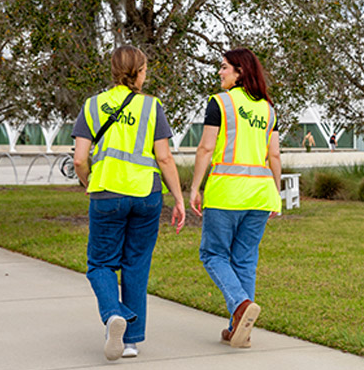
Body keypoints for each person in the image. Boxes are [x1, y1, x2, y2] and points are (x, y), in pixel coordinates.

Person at [72, 45, 186, 361]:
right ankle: (132, 341)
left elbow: (80, 159)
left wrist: (89, 182)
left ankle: (113, 315)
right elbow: (164, 157)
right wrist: (178, 198)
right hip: (147, 195)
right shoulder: (152, 107)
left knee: (100, 263)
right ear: (139, 71)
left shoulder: (92, 105)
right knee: (136, 264)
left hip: (107, 192)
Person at [189, 47, 282, 349]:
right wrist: (275, 194)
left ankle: (241, 306)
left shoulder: (220, 103)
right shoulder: (268, 109)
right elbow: (275, 154)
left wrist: (194, 188)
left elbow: (205, 149)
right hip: (259, 194)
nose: (220, 72)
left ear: (240, 71)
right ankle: (240, 330)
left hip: (227, 193)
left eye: (224, 67)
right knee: (244, 260)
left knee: (212, 254)